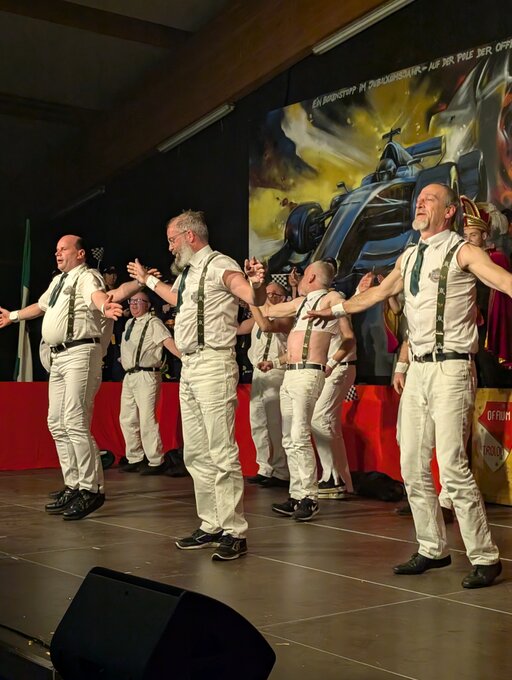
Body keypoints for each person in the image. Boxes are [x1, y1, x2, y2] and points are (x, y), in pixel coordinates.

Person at [305, 183, 511, 589]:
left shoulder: (463, 251)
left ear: (449, 212)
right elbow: (380, 294)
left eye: (430, 199)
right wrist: (337, 308)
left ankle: (485, 557)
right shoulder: (410, 255)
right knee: (412, 464)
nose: (420, 203)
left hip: (452, 368)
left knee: (451, 464)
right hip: (418, 369)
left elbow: (505, 282)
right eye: (419, 199)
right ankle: (432, 547)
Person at [127, 210, 266, 561]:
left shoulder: (220, 264)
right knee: (196, 453)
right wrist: (146, 281)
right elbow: (176, 298)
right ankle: (211, 523)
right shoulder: (188, 273)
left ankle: (234, 530)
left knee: (221, 450)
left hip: (214, 363)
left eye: (172, 240)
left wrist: (255, 285)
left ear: (190, 236)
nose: (170, 247)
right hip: (189, 365)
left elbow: (246, 291)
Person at [0, 235, 130, 520]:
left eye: (63, 249)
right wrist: (13, 316)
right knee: (56, 422)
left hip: (79, 353)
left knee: (74, 420)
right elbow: (41, 306)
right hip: (59, 357)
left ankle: (92, 489)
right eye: (56, 250)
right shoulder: (59, 281)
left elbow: (96, 296)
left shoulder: (87, 276)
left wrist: (104, 306)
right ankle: (74, 484)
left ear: (80, 254)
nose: (57, 253)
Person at [258, 260, 355, 521]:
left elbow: (348, 337)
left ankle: (309, 498)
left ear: (311, 277)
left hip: (309, 373)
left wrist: (331, 363)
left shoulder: (332, 298)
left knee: (299, 434)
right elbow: (266, 310)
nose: (299, 279)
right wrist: (254, 284)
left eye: (303, 275)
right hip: (291, 374)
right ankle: (297, 493)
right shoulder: (301, 303)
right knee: (289, 438)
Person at [118, 290, 181, 475]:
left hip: (147, 375)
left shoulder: (154, 323)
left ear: (148, 305)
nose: (134, 304)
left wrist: (187, 358)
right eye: (131, 301)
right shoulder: (129, 323)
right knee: (127, 418)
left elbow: (168, 342)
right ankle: (135, 457)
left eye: (139, 301)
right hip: (129, 376)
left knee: (147, 418)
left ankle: (155, 460)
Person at [239, 281, 293, 487]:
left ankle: (281, 470)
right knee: (257, 422)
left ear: (283, 298)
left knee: (275, 423)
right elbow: (237, 329)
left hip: (276, 372)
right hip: (257, 374)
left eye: (274, 294)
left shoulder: (286, 317)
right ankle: (264, 467)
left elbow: (269, 326)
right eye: (266, 293)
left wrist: (254, 299)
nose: (269, 296)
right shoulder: (257, 318)